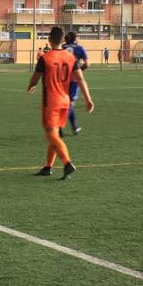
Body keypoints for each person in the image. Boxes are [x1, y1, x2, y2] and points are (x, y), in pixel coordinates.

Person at [28, 26, 94, 180]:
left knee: (52, 135)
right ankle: (48, 167)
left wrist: (31, 86)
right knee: (55, 134)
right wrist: (88, 99)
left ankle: (67, 163)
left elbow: (35, 77)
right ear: (63, 40)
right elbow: (80, 79)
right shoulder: (71, 58)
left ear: (50, 40)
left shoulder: (45, 58)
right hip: (65, 101)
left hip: (51, 102)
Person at [62, 32, 89, 136]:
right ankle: (60, 126)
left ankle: (74, 127)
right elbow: (87, 64)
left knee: (64, 102)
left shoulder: (62, 47)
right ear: (75, 39)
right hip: (73, 79)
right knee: (70, 103)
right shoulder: (79, 48)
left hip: (61, 78)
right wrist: (79, 71)